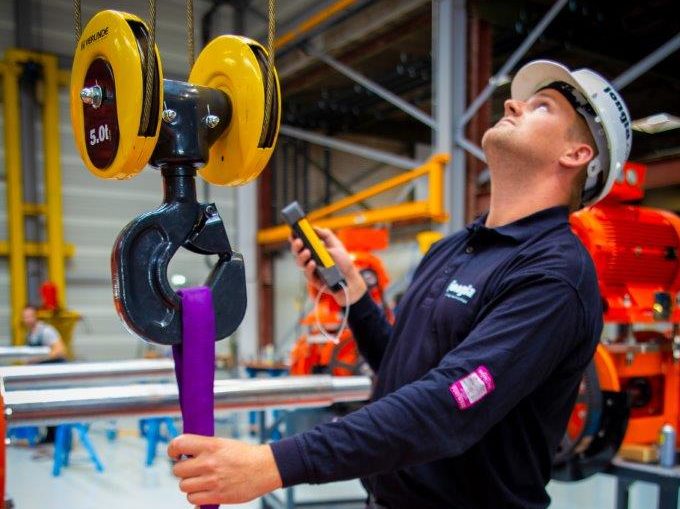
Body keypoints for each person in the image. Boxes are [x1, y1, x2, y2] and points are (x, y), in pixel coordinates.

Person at [168, 60, 632, 508]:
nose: (512, 105)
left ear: (577, 154)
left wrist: (275, 463)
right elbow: (403, 370)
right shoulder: (453, 249)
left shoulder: (554, 276)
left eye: (542, 106)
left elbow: (449, 404)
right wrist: (353, 294)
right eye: (521, 101)